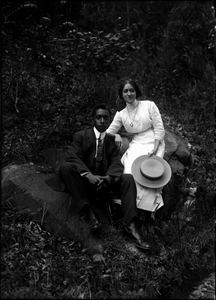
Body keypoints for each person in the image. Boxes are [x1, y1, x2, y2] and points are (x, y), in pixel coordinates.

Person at [45, 103, 151, 251]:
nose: (102, 121)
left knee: (127, 178)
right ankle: (87, 210)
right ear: (93, 119)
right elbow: (72, 156)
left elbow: (116, 163)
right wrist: (88, 175)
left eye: (105, 118)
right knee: (66, 167)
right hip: (84, 182)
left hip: (103, 184)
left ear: (109, 121)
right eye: (98, 117)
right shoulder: (81, 136)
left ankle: (131, 226)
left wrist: (109, 177)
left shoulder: (111, 141)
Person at [106, 78, 166, 214]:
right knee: (129, 168)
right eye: (125, 91)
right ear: (121, 95)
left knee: (150, 170)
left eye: (131, 90)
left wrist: (156, 148)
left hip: (154, 140)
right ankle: (128, 201)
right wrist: (116, 135)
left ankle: (146, 207)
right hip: (138, 142)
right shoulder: (121, 115)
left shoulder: (149, 105)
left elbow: (159, 127)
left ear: (136, 91)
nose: (129, 94)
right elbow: (108, 132)